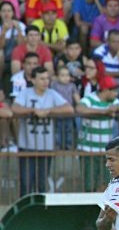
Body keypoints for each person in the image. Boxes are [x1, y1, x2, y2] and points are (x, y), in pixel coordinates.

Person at [12, 66, 74, 195]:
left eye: (47, 78)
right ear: (33, 80)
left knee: (41, 182)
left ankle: (40, 212)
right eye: (42, 79)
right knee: (26, 182)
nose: (45, 82)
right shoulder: (25, 93)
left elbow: (69, 109)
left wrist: (49, 111)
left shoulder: (52, 93)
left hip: (46, 146)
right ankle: (25, 213)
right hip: (27, 145)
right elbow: (15, 108)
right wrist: (33, 111)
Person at [76, 76, 119, 193]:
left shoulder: (114, 101)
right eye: (114, 90)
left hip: (107, 151)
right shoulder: (89, 99)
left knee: (107, 184)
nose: (117, 93)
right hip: (88, 150)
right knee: (89, 184)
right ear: (106, 90)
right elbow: (79, 109)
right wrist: (104, 112)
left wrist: (118, 110)